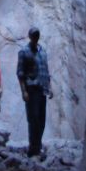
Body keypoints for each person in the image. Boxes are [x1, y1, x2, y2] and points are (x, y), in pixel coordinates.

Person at [16, 26, 53, 157]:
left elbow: (46, 71)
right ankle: (33, 148)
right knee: (33, 119)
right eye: (33, 35)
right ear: (30, 36)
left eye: (37, 34)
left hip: (42, 89)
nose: (36, 37)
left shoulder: (43, 51)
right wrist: (23, 91)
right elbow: (20, 73)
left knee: (41, 120)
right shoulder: (24, 52)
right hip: (31, 89)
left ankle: (38, 145)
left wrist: (50, 87)